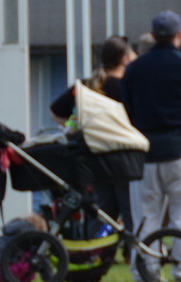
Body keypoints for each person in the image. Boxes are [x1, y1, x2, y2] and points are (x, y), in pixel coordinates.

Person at [121, 11, 181, 240]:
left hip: (145, 152)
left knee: (145, 216)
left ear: (153, 35)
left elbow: (127, 108)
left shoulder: (135, 69)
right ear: (179, 35)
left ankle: (146, 267)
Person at [50, 35, 136, 232]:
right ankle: (133, 250)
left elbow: (55, 111)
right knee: (130, 209)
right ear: (124, 59)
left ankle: (97, 251)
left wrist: (83, 124)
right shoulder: (128, 87)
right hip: (123, 156)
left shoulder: (86, 85)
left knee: (101, 210)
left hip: (93, 156)